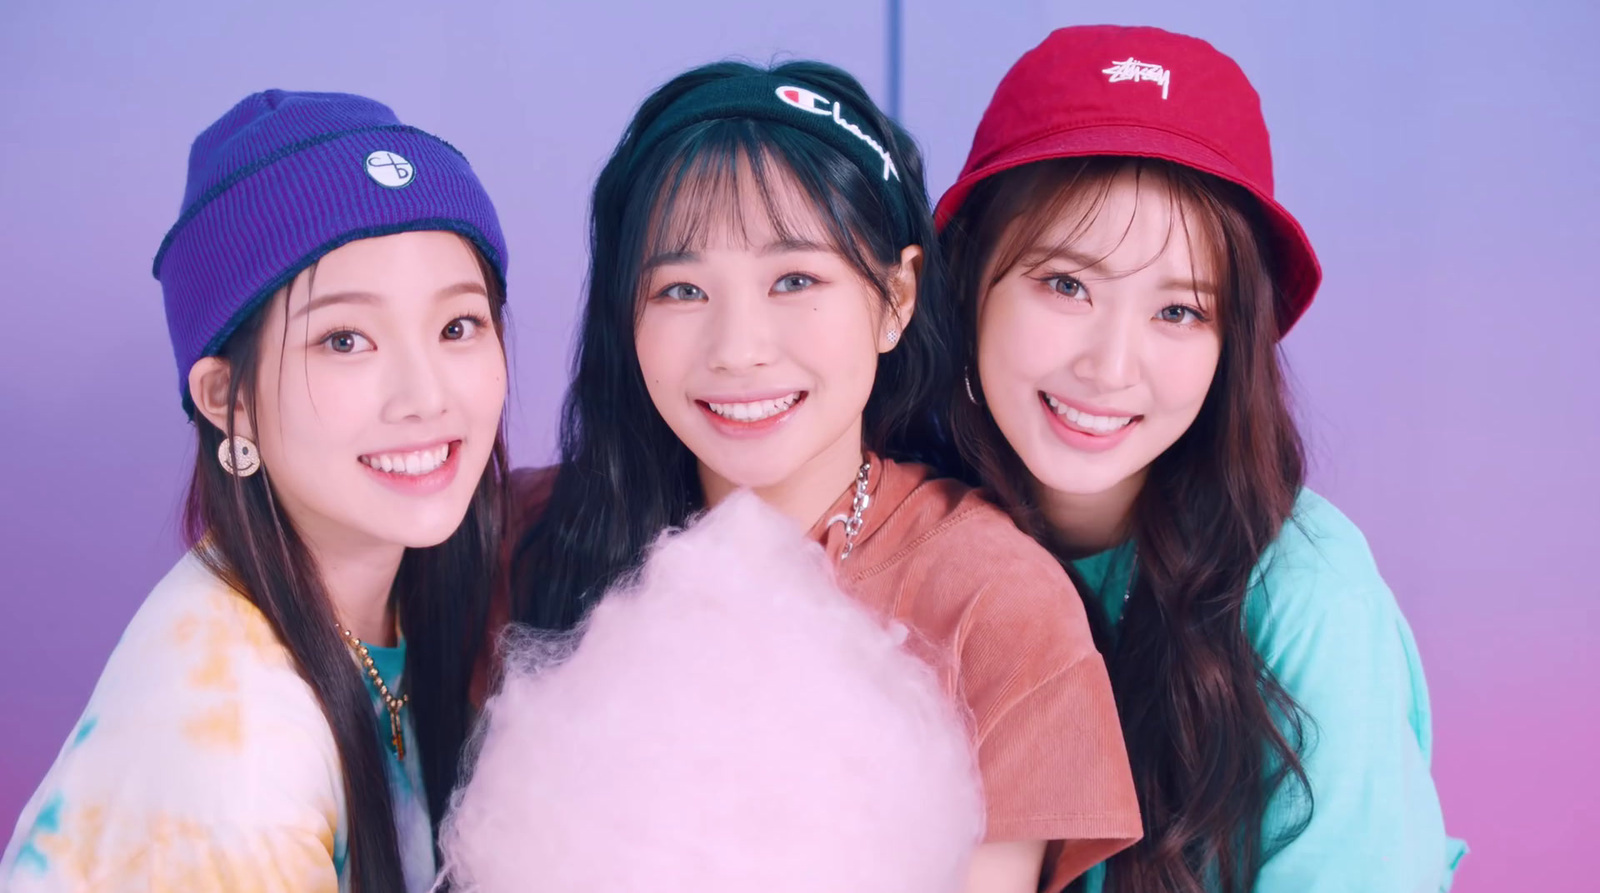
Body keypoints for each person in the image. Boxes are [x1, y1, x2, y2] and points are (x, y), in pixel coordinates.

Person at [501, 60, 1141, 892]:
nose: (739, 347)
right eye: (682, 288)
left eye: (795, 279)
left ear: (896, 296)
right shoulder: (528, 537)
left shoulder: (996, 601)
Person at [935, 25, 1466, 892]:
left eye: (1178, 310)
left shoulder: (1306, 596)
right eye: (1066, 284)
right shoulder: (891, 536)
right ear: (968, 283)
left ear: (1235, 342)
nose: (1109, 367)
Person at [1, 90, 512, 893]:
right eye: (346, 339)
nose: (425, 395)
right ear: (226, 399)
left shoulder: (403, 589)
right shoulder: (231, 762)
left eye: (457, 327)